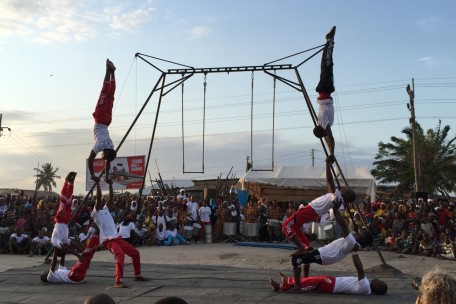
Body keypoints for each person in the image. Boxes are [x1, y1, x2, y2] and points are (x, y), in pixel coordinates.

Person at [290, 200, 373, 290]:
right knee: (306, 261)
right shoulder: (354, 245)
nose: (359, 233)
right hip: (325, 255)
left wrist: (335, 208)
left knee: (296, 259)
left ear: (363, 239)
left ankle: (298, 286)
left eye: (361, 234)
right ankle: (303, 282)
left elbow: (344, 225)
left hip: (324, 255)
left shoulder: (352, 242)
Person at [282, 157, 356, 253]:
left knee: (286, 225)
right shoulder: (338, 199)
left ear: (346, 194)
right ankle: (307, 245)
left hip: (311, 210)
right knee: (295, 227)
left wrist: (327, 164)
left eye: (346, 190)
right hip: (313, 211)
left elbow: (329, 181)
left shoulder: (337, 196)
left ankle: (301, 248)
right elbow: (330, 189)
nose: (344, 189)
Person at [92, 180, 148, 288]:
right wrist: (98, 184)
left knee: (135, 253)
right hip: (108, 240)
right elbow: (98, 197)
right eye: (100, 200)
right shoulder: (96, 213)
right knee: (120, 255)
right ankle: (118, 281)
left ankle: (137, 275)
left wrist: (110, 184)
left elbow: (111, 197)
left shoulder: (106, 209)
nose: (104, 199)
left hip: (117, 238)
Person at [269, 250, 387, 295]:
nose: (378, 280)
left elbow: (360, 269)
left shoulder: (366, 287)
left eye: (380, 282)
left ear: (378, 287)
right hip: (333, 281)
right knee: (309, 281)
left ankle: (280, 287)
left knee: (309, 284)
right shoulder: (366, 287)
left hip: (332, 286)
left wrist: (354, 252)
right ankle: (288, 281)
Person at [87, 59, 117, 183]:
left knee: (110, 95)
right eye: (103, 157)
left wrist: (107, 176)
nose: (102, 158)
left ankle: (112, 72)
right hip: (100, 118)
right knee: (104, 93)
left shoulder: (111, 146)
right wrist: (92, 175)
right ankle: (107, 70)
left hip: (107, 121)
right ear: (104, 154)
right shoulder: (100, 146)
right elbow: (90, 159)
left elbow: (108, 161)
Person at [313, 26, 336, 158]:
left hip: (325, 89)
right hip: (325, 91)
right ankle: (329, 42)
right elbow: (328, 138)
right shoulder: (323, 123)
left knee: (326, 64)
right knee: (327, 65)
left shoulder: (322, 121)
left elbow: (330, 137)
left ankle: (329, 41)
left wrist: (331, 154)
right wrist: (330, 152)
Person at [50, 171, 83, 260]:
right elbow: (71, 243)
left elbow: (65, 247)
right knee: (68, 199)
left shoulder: (56, 242)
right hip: (65, 222)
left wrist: (78, 255)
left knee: (64, 199)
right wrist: (83, 251)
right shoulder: (65, 241)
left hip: (60, 220)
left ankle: (66, 182)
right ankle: (71, 183)